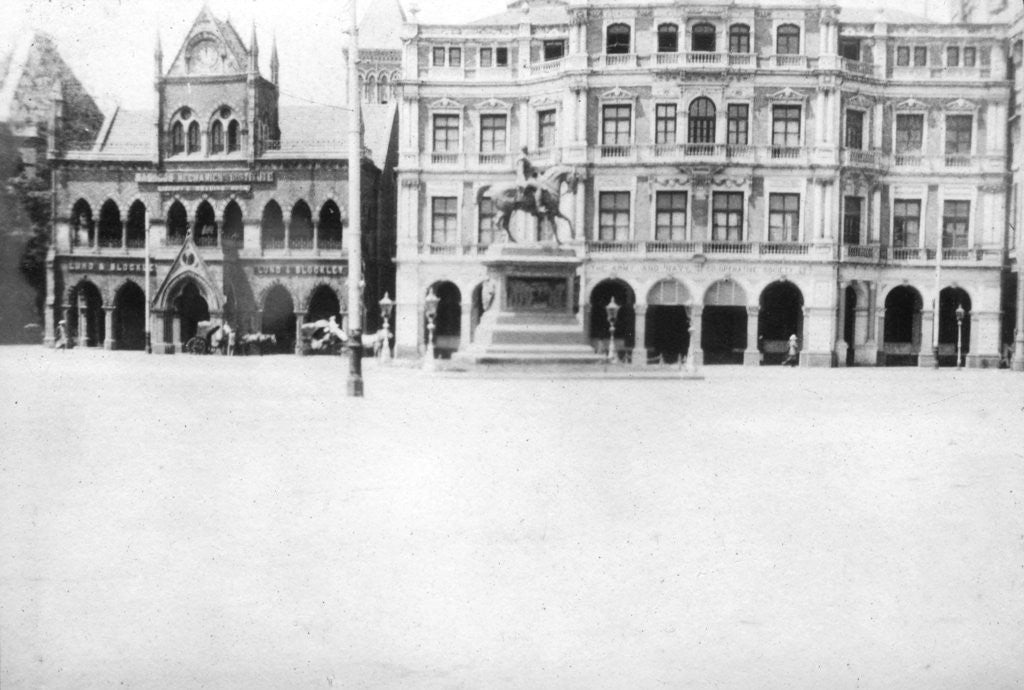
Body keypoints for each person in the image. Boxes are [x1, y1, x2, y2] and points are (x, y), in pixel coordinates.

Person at [514, 146, 546, 215]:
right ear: (524, 150)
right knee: (539, 187)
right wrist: (523, 182)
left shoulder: (526, 158)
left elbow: (531, 171)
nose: (527, 151)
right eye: (526, 150)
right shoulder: (522, 158)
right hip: (525, 180)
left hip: (528, 178)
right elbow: (520, 171)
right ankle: (538, 207)